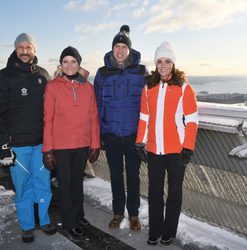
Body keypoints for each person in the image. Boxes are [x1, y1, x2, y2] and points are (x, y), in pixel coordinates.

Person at [136, 41, 198, 246]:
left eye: (167, 61)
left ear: (173, 63)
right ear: (155, 63)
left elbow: (192, 120)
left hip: (176, 151)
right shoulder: (149, 87)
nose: (163, 65)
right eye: (160, 61)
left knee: (174, 193)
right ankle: (154, 230)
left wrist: (188, 147)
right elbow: (144, 117)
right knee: (154, 193)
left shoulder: (184, 88)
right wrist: (140, 142)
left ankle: (169, 231)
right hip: (154, 149)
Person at [0, 33, 56, 243]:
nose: (25, 51)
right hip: (18, 146)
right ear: (16, 50)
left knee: (43, 183)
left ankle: (44, 220)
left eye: (28, 47)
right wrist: (3, 145)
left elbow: (51, 110)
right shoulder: (5, 76)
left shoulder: (43, 74)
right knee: (22, 186)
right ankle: (27, 225)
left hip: (41, 143)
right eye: (21, 47)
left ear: (34, 50)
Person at [42, 46, 100, 239]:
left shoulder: (87, 88)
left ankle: (79, 214)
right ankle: (70, 221)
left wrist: (95, 144)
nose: (69, 65)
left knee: (78, 183)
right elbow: (47, 119)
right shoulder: (52, 87)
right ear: (61, 64)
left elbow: (93, 117)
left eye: (73, 61)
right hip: (61, 145)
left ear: (78, 64)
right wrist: (48, 150)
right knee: (65, 184)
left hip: (82, 144)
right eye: (65, 61)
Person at [94, 25, 148, 231]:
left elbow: (150, 104)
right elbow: (97, 105)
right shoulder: (102, 73)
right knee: (115, 175)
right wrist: (98, 134)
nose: (119, 50)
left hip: (134, 135)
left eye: (123, 46)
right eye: (116, 46)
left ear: (129, 50)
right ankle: (117, 212)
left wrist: (146, 135)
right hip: (111, 134)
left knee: (133, 177)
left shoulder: (141, 71)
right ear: (112, 49)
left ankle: (133, 214)